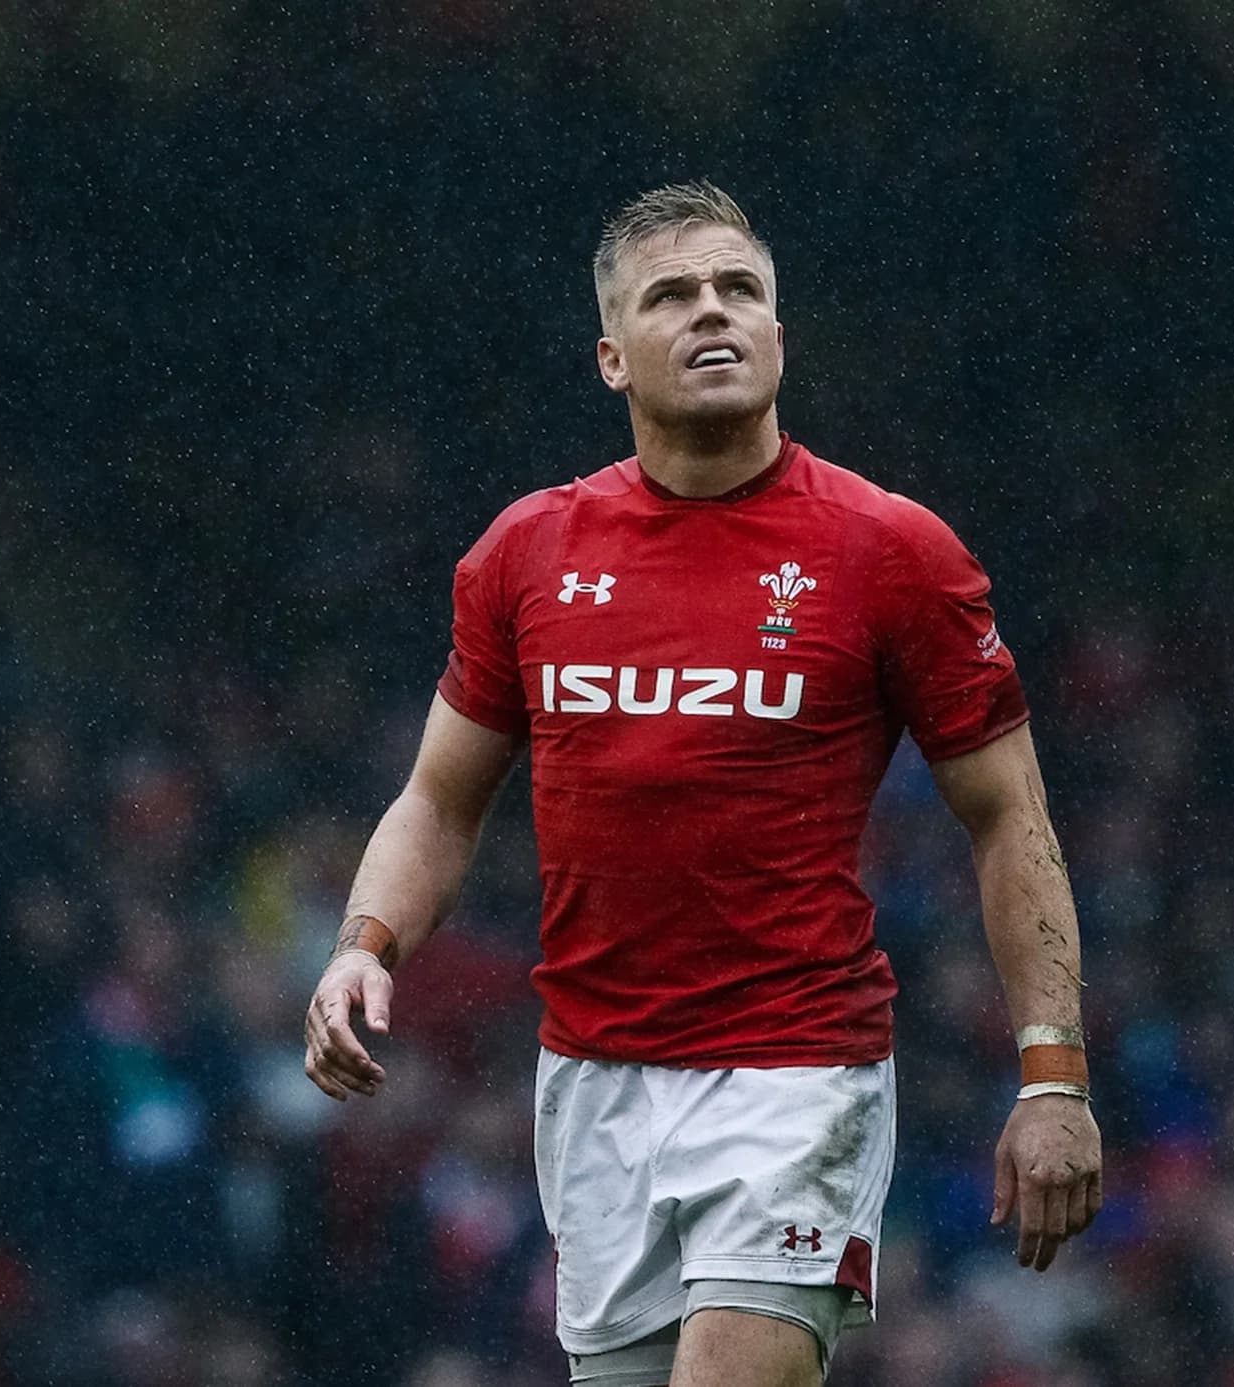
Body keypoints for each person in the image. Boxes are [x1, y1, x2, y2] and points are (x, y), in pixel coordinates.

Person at [302, 181, 1102, 1387]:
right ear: (613, 358)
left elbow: (1009, 817)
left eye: (741, 290)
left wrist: (1052, 1075)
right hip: (591, 1079)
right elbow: (438, 797)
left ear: (780, 336)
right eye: (672, 296)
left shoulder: (890, 552)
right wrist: (366, 942)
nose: (712, 312)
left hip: (797, 1072)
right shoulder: (527, 553)